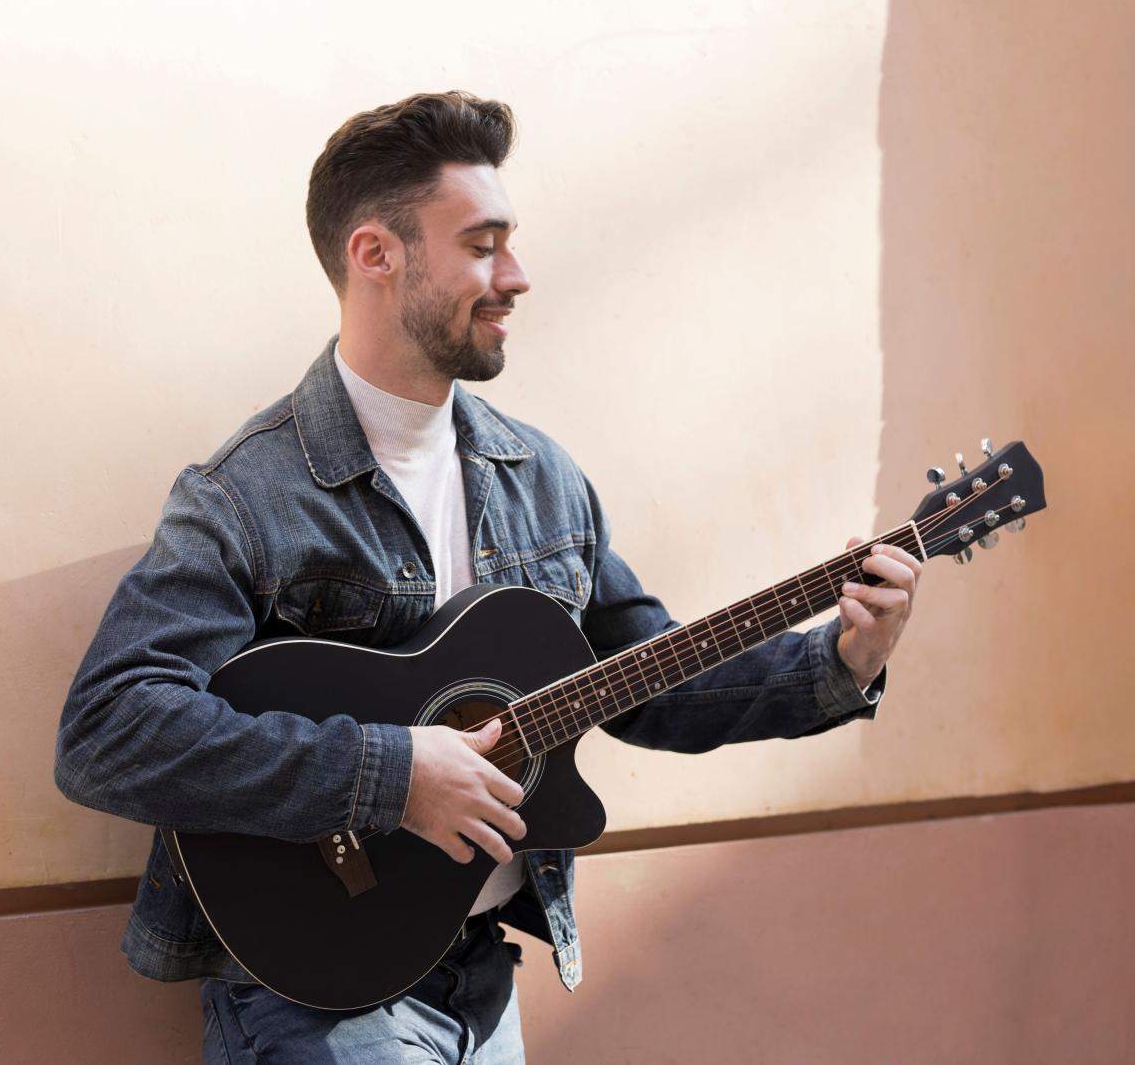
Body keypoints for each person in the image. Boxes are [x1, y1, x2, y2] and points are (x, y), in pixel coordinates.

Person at [54, 90, 920, 1064]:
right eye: (482, 244)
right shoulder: (248, 492)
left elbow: (650, 681)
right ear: (375, 255)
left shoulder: (540, 477)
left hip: (480, 977)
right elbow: (107, 731)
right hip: (317, 1004)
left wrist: (842, 658)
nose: (515, 275)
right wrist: (391, 774)